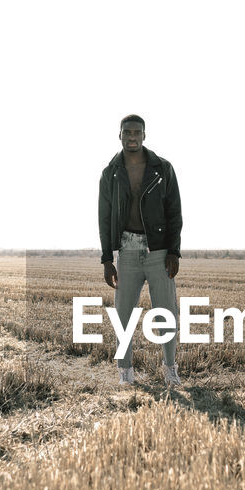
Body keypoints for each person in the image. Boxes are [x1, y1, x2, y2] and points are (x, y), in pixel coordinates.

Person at [98, 115, 183, 386]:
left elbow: (174, 212)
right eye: (127, 132)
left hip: (159, 252)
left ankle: (170, 368)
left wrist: (174, 251)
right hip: (127, 251)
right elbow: (104, 216)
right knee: (123, 316)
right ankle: (126, 371)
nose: (131, 137)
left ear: (144, 135)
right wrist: (107, 259)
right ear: (119, 135)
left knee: (166, 313)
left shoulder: (163, 169)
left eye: (137, 132)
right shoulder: (110, 173)